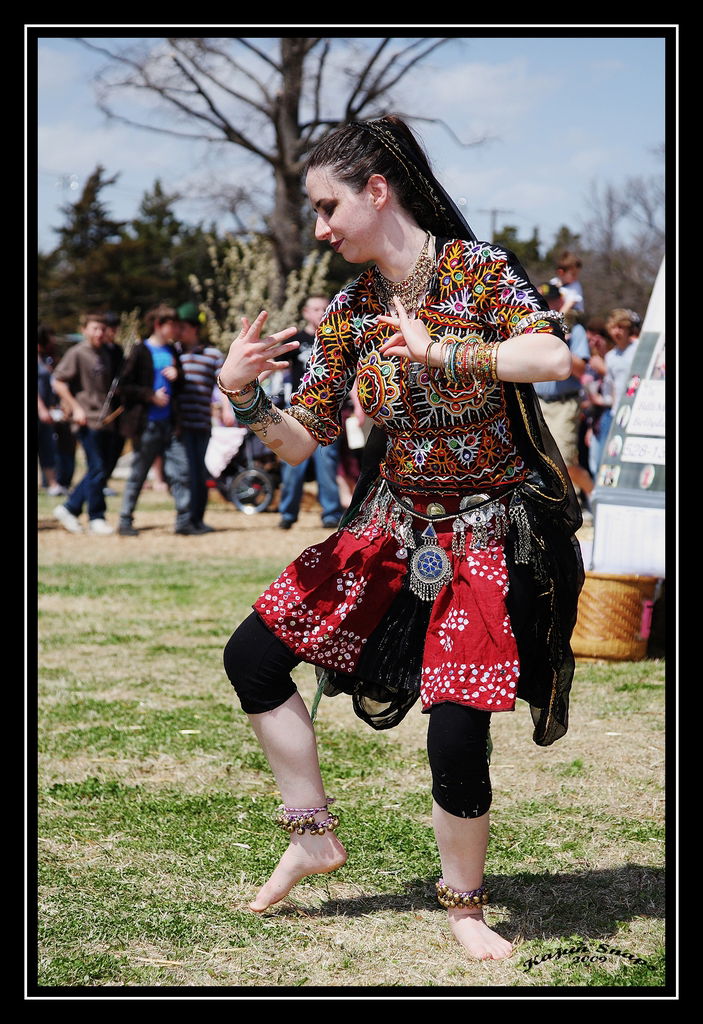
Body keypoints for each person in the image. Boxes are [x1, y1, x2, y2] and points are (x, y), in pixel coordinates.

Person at [218, 116, 584, 962]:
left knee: (456, 725)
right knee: (254, 658)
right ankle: (310, 836)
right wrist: (244, 396)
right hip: (390, 523)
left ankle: (463, 906)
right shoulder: (350, 309)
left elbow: (550, 358)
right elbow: (303, 437)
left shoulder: (477, 271)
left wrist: (448, 353)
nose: (318, 227)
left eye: (326, 206)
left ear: (375, 191)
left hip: (487, 531)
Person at [116, 304, 195, 536]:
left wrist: (178, 375)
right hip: (146, 423)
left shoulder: (173, 351)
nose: (176, 329)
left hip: (171, 423)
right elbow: (124, 386)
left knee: (181, 471)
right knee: (138, 473)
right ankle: (125, 520)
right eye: (172, 325)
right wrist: (150, 395)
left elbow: (181, 386)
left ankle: (184, 521)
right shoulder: (141, 350)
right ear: (159, 325)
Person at [51, 312, 123, 534]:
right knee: (98, 468)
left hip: (106, 421)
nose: (99, 333)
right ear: (84, 329)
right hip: (85, 420)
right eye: (94, 328)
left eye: (102, 329)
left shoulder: (107, 353)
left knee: (99, 469)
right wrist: (75, 407)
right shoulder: (77, 353)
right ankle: (96, 516)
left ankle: (70, 508)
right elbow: (58, 382)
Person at [276, 295, 344, 529]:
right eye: (315, 309)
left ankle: (331, 513)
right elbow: (273, 365)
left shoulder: (335, 338)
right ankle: (287, 514)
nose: (320, 313)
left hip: (327, 411)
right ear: (305, 312)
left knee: (327, 463)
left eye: (324, 309)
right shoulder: (297, 340)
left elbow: (351, 372)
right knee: (293, 464)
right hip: (296, 412)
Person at [175, 301, 234, 533]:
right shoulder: (173, 354)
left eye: (182, 327)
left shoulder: (211, 355)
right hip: (178, 425)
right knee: (184, 473)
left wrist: (227, 409)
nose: (177, 332)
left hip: (200, 423)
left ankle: (197, 519)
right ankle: (185, 519)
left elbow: (223, 386)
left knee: (200, 472)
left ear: (193, 328)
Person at [533, 284, 594, 506]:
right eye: (543, 299)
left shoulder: (574, 330)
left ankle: (594, 494)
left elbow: (580, 369)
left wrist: (560, 342)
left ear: (561, 302)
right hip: (537, 402)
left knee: (565, 461)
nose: (547, 304)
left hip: (563, 404)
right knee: (541, 462)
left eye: (552, 300)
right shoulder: (535, 327)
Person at [591, 308, 641, 473]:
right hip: (614, 412)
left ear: (628, 329)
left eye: (621, 327)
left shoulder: (639, 349)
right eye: (614, 327)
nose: (617, 332)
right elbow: (609, 386)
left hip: (635, 410)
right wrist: (602, 400)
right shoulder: (611, 356)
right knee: (604, 458)